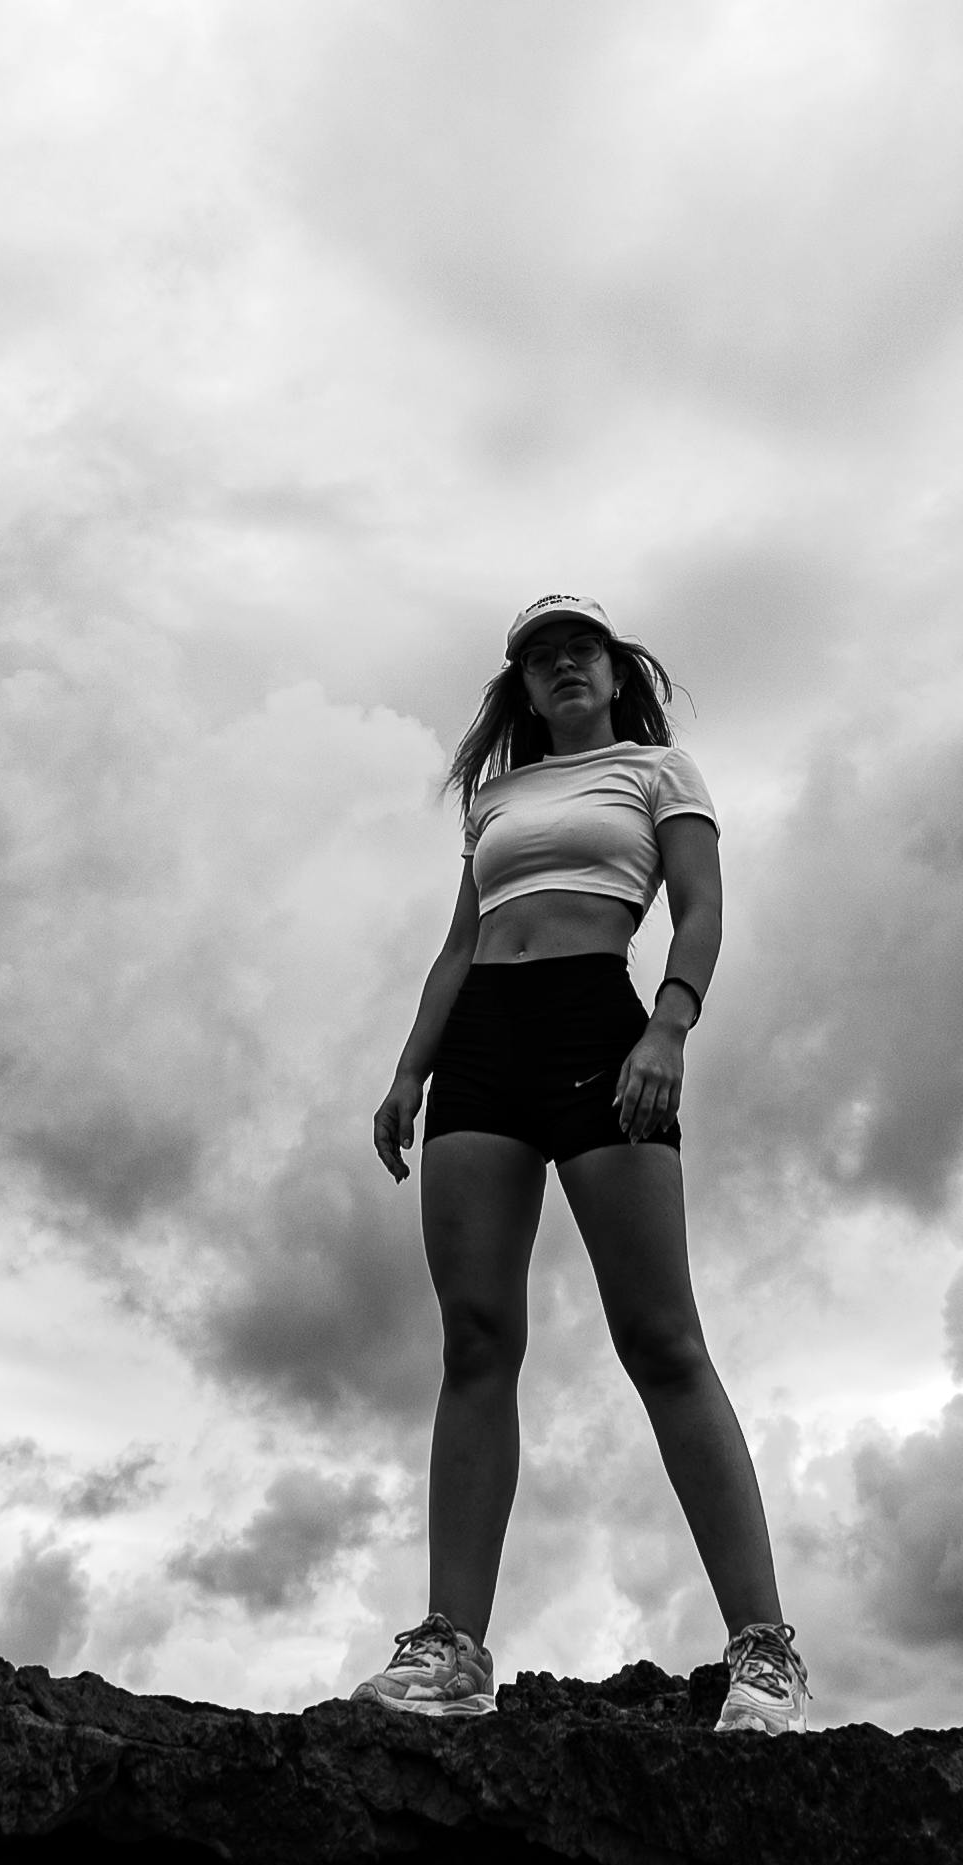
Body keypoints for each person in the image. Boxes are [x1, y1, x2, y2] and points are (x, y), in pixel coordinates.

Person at [348, 593, 809, 1734]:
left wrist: (668, 1025)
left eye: (579, 651)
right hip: (483, 1050)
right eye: (541, 657)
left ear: (611, 672)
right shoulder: (493, 796)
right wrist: (410, 1071)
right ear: (522, 684)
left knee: (660, 1337)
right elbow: (459, 945)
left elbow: (700, 907)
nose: (562, 665)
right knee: (475, 1339)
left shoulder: (659, 772)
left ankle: (765, 1654)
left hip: (602, 1032)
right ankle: (451, 1649)